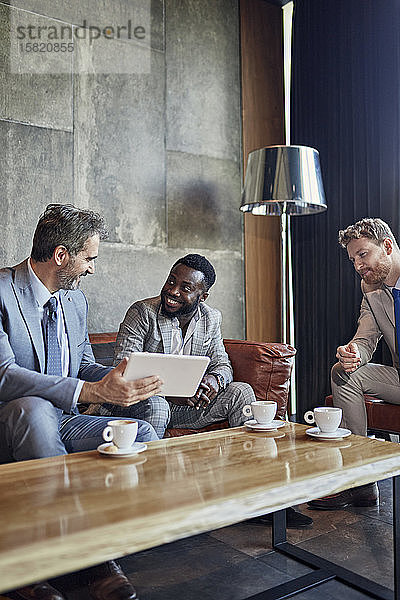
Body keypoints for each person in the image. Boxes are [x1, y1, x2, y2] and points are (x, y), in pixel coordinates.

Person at [0, 203, 162, 600]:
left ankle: (98, 543)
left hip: (64, 419)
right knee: (34, 408)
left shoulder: (75, 302)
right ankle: (57, 563)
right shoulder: (1, 292)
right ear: (61, 255)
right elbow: (4, 376)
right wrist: (91, 392)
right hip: (12, 421)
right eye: (89, 258)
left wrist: (120, 378)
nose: (92, 268)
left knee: (139, 431)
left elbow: (84, 364)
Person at [89, 253, 313, 528]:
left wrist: (213, 382)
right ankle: (149, 501)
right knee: (158, 405)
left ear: (202, 296)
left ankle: (259, 495)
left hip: (186, 408)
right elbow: (123, 371)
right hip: (142, 404)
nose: (173, 291)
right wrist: (175, 391)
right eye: (172, 281)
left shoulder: (211, 318)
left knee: (240, 391)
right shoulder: (142, 312)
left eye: (186, 287)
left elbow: (222, 364)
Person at [308, 217, 400, 511]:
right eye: (353, 260)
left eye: (363, 255)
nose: (358, 266)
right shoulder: (370, 287)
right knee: (344, 373)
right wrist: (355, 352)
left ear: (386, 246)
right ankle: (360, 482)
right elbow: (367, 335)